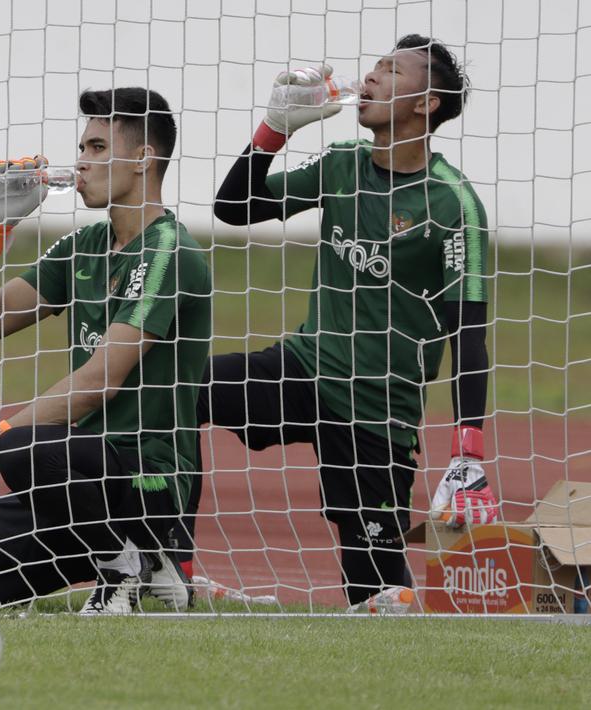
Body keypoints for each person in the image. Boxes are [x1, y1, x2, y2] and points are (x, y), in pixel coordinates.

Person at [206, 35, 499, 606]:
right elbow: (234, 208)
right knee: (173, 392)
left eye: (391, 71)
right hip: (304, 368)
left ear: (426, 103)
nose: (369, 78)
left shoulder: (453, 204)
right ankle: (167, 569)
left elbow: (468, 334)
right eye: (374, 67)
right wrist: (274, 130)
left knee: (375, 591)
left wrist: (468, 450)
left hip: (377, 411)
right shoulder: (342, 163)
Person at [0, 88, 211, 614]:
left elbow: (100, 381)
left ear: (143, 158)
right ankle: (134, 557)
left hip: (145, 480)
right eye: (82, 148)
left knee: (19, 446)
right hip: (76, 487)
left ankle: (127, 564)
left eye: (98, 148)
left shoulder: (169, 252)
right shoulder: (81, 247)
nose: (81, 161)